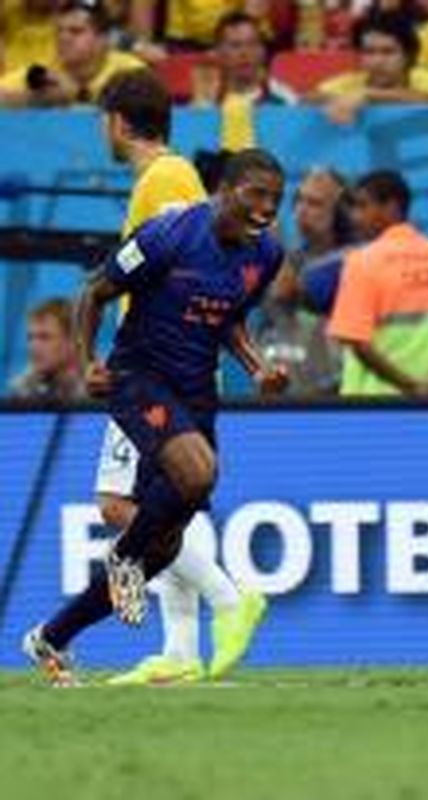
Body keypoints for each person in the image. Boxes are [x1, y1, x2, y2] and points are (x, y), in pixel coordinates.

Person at [22, 149, 289, 687]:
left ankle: (51, 637)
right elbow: (94, 293)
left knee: (163, 546)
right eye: (256, 193)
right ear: (225, 190)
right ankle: (167, 578)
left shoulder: (268, 255)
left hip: (196, 389)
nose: (266, 207)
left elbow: (229, 319)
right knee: (195, 474)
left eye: (275, 199)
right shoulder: (169, 236)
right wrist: (89, 360)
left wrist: (258, 367)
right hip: (139, 377)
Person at [86, 69, 267, 687]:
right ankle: (181, 650)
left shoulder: (164, 180)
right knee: (159, 507)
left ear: (116, 121)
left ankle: (229, 598)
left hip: (155, 365)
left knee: (120, 504)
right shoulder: (166, 177)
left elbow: (180, 269)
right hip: (159, 362)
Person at [328, 170, 428, 397]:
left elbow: (356, 341)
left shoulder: (362, 263)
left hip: (370, 410)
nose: (355, 217)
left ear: (392, 208)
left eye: (363, 206)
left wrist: (411, 389)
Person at [255, 166, 353, 396]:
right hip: (280, 393)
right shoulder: (292, 258)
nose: (301, 210)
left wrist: (275, 242)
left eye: (314, 203)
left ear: (342, 212)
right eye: (298, 201)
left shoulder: (353, 260)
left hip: (335, 395)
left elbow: (284, 291)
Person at [312, 9, 428, 125]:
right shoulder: (348, 83)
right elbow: (308, 100)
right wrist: (336, 99)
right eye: (369, 52)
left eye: (388, 52)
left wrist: (368, 95)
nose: (377, 61)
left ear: (408, 55)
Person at [0, 1, 143, 108]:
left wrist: (77, 96)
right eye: (59, 31)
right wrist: (40, 99)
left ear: (103, 39)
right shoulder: (44, 72)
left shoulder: (129, 70)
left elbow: (152, 109)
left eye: (76, 31)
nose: (63, 38)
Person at [8, 298, 85, 402]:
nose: (33, 346)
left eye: (45, 337)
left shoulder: (101, 388)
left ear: (73, 342)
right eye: (30, 338)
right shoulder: (22, 391)